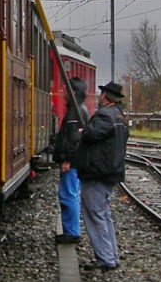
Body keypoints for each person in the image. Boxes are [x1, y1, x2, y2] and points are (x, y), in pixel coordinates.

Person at [75, 80, 129, 271]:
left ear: (105, 96)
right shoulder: (120, 116)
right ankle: (111, 255)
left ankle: (105, 258)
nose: (98, 97)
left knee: (95, 214)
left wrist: (83, 131)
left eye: (101, 94)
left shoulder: (105, 115)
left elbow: (90, 134)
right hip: (110, 171)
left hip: (97, 172)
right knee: (104, 214)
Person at [52, 78, 89, 244]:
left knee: (68, 196)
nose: (64, 92)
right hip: (75, 162)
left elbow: (73, 139)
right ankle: (70, 230)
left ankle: (72, 232)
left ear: (74, 92)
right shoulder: (79, 109)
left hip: (72, 163)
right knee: (69, 195)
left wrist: (66, 159)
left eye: (67, 89)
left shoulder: (75, 112)